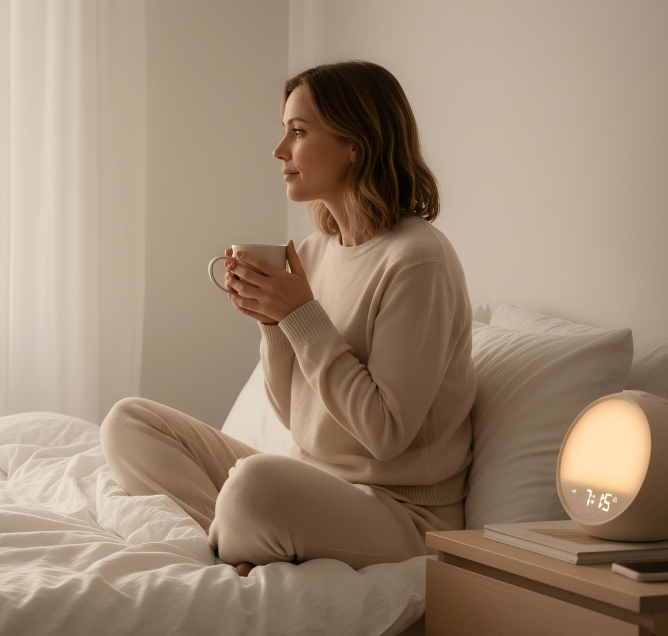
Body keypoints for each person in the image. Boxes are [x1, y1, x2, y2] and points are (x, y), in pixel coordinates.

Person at [100, 61, 476, 578]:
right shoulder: (316, 252)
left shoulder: (417, 261)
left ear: (356, 143)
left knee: (254, 486)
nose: (280, 151)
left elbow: (385, 432)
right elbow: (295, 415)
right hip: (310, 485)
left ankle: (232, 537)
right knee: (129, 421)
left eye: (297, 132)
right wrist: (274, 324)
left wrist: (300, 314)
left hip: (399, 513)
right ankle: (229, 540)